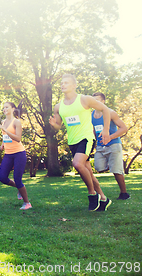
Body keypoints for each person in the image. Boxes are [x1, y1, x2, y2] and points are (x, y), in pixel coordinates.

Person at [49, 74, 112, 211]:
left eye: (66, 82)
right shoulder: (58, 107)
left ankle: (92, 194)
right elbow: (59, 126)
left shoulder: (84, 99)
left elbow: (105, 109)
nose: (63, 85)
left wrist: (106, 130)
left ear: (74, 85)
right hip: (72, 141)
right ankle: (103, 198)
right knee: (88, 171)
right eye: (61, 83)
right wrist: (54, 125)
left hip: (86, 138)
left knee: (77, 164)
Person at [91, 92, 130, 200]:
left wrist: (110, 137)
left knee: (117, 171)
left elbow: (123, 128)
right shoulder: (91, 115)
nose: (95, 102)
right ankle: (110, 164)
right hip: (100, 146)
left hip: (113, 145)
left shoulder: (110, 112)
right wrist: (94, 144)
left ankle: (124, 193)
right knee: (99, 167)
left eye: (97, 100)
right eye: (93, 100)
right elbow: (94, 130)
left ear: (103, 101)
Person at [0, 101, 32, 210]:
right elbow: (5, 136)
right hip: (8, 154)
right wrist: (3, 144)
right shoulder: (3, 122)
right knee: (2, 178)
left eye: (7, 107)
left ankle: (27, 203)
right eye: (3, 108)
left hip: (19, 154)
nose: (4, 109)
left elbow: (18, 138)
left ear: (13, 109)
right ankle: (19, 188)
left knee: (18, 179)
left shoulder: (16, 122)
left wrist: (6, 131)